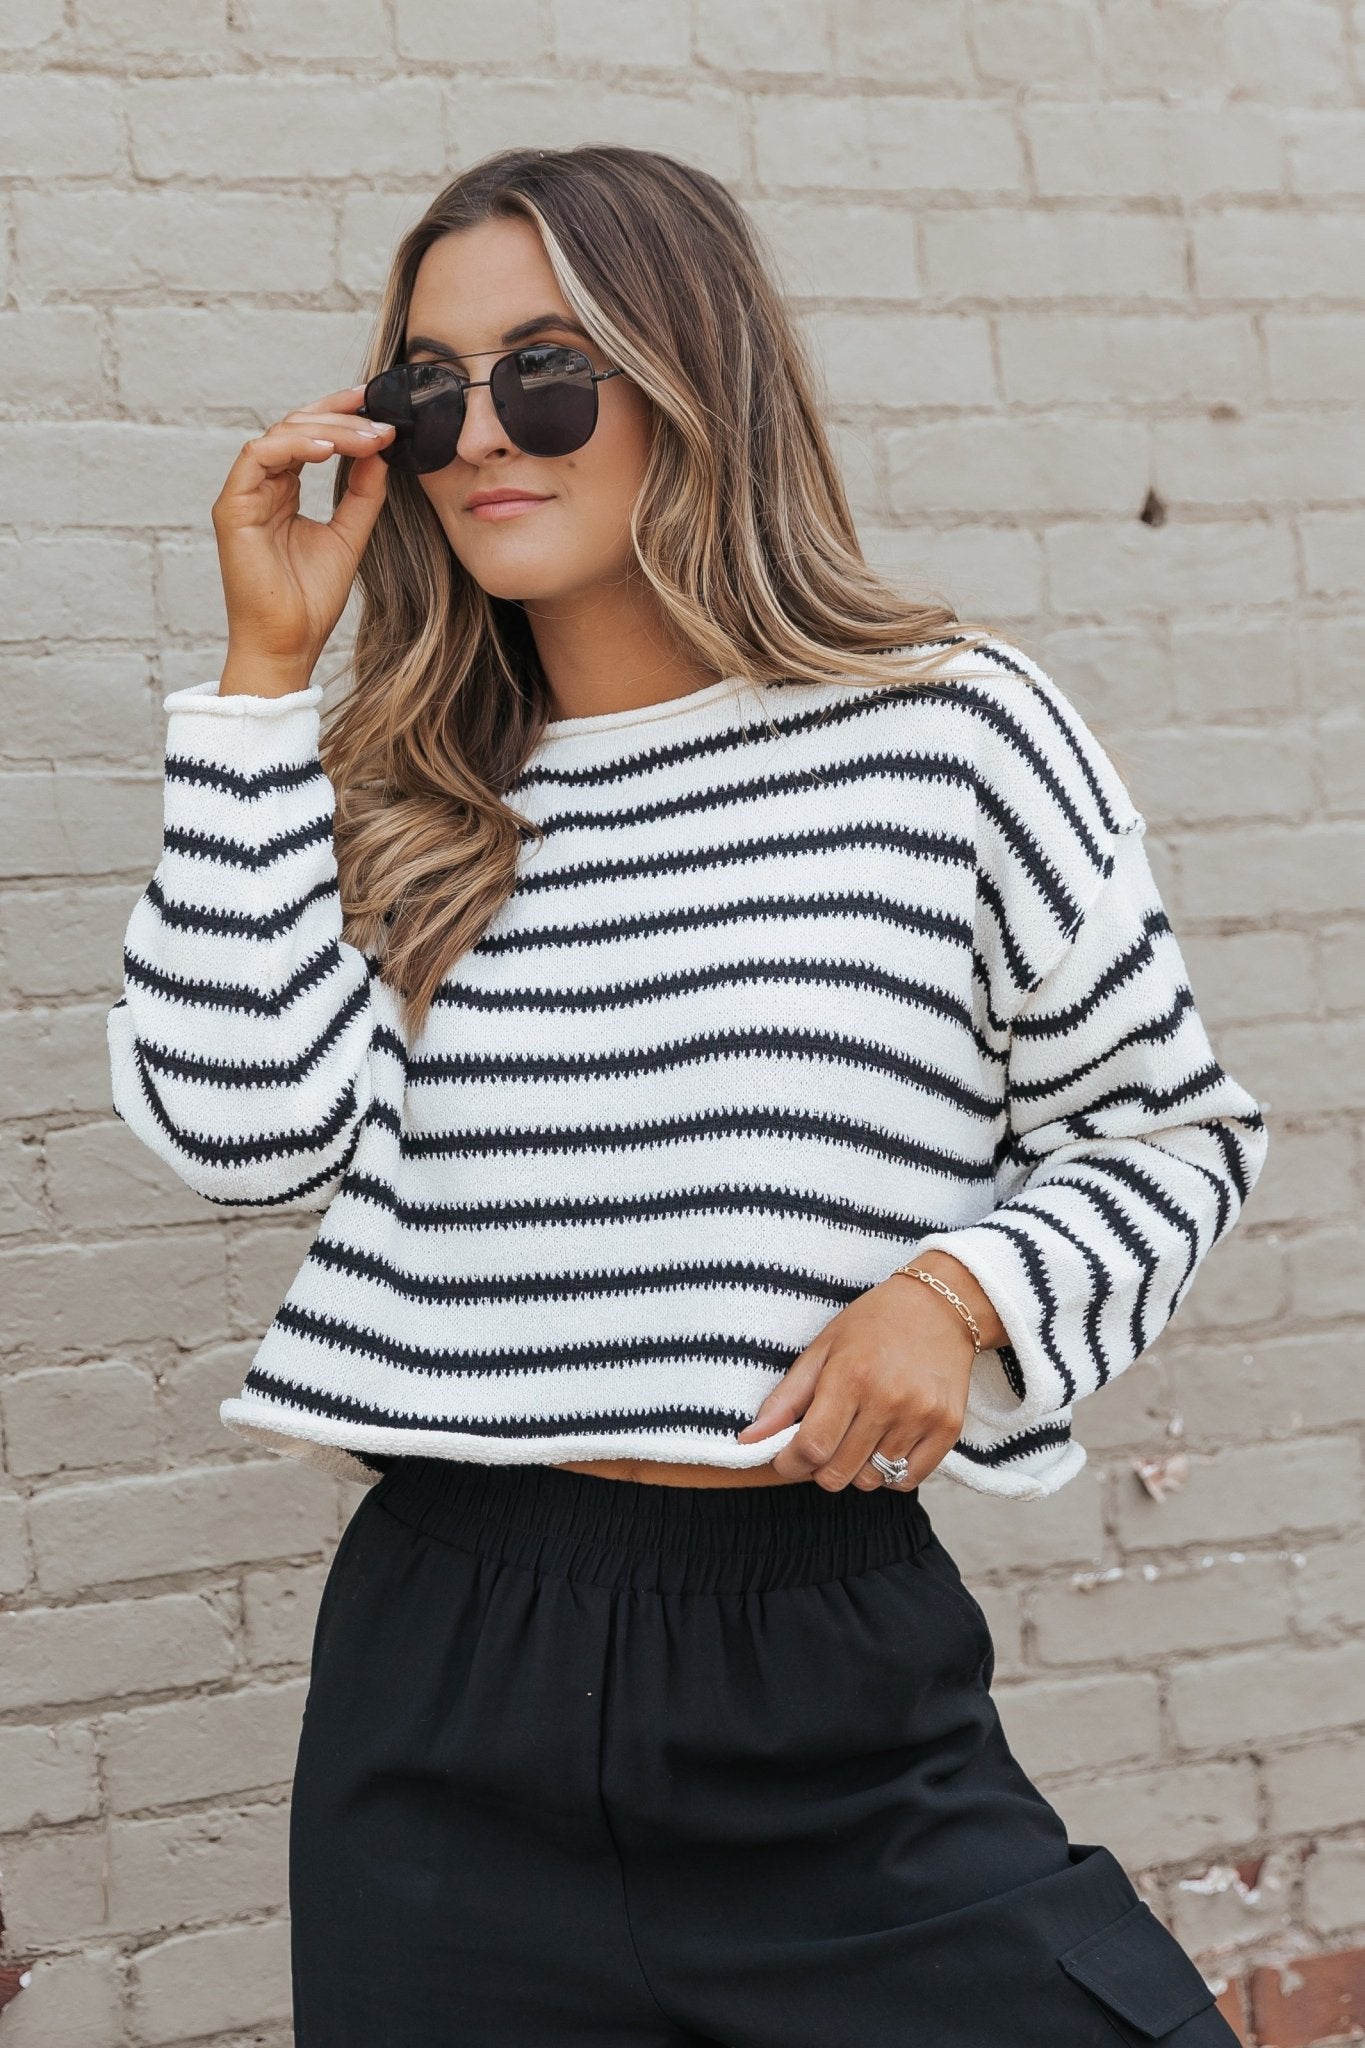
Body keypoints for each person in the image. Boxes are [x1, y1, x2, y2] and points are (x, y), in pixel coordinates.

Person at [107, 145, 1265, 2045]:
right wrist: (261, 681)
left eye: (547, 372)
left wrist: (958, 1294)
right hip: (447, 1676)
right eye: (428, 388)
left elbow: (1169, 1134)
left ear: (691, 381)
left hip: (817, 1662)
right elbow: (244, 1134)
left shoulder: (948, 729)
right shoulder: (404, 788)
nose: (483, 431)